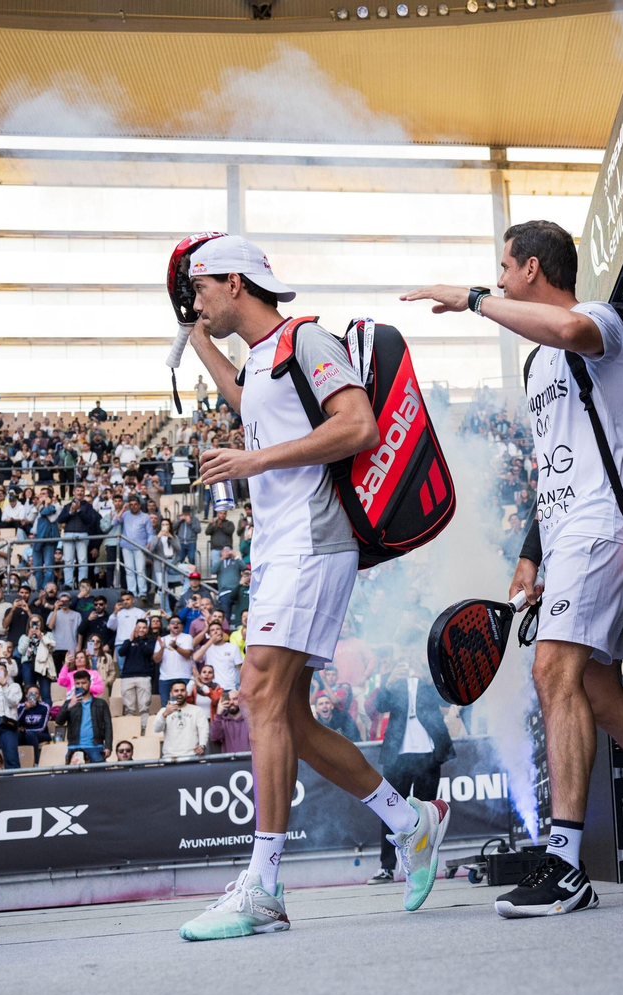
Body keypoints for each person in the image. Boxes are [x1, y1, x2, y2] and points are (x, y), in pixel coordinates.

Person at [405, 220, 623, 918]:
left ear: (533, 268)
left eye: (505, 267)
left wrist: (471, 300)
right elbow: (554, 469)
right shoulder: (536, 367)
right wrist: (531, 555)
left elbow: (568, 333)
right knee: (595, 691)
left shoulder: (600, 323)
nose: (500, 277)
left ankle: (565, 865)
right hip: (567, 538)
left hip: (605, 529)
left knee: (552, 673)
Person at [177, 234, 450, 940]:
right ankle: (409, 819)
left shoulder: (308, 339)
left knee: (261, 693)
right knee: (289, 716)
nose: (197, 300)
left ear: (235, 283)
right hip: (280, 547)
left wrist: (253, 461)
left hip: (311, 539)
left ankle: (263, 885)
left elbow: (357, 425)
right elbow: (246, 399)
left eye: (201, 289)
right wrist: (194, 335)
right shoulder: (264, 359)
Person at [371, 657, 454, 881]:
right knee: (390, 811)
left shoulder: (431, 678)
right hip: (398, 755)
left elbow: (446, 702)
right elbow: (378, 707)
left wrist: (429, 678)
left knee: (426, 814)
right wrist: (387, 683)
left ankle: (421, 866)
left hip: (429, 752)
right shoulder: (393, 679)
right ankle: (386, 866)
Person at [52, 674, 110, 763]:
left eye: (84, 683)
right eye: (77, 683)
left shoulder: (101, 703)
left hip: (95, 747)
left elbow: (108, 726)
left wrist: (108, 746)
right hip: (74, 748)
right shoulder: (69, 703)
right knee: (74, 777)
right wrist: (70, 706)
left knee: (99, 776)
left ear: (90, 683)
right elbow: (59, 721)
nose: (80, 686)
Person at [117, 619, 156, 727]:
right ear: (135, 628)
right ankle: (130, 729)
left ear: (147, 629)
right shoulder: (128, 641)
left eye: (144, 628)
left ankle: (144, 730)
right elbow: (121, 652)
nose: (141, 630)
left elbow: (148, 652)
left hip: (143, 677)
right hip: (127, 677)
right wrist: (131, 640)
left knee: (144, 707)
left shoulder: (151, 642)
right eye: (139, 627)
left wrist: (140, 640)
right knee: (129, 708)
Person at [152, 681, 205, 758]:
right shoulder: (163, 711)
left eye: (182, 690)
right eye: (176, 691)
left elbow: (203, 730)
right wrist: (165, 714)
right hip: (170, 757)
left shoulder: (197, 710)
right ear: (171, 694)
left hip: (192, 756)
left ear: (186, 693)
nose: (179, 693)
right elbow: (156, 729)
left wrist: (202, 745)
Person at [153, 615, 195, 706]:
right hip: (165, 678)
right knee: (167, 706)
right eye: (172, 623)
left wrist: (175, 647)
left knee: (185, 706)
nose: (175, 624)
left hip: (184, 676)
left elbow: (187, 654)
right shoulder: (162, 640)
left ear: (182, 626)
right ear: (168, 626)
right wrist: (162, 648)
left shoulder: (187, 637)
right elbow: (156, 660)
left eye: (178, 623)